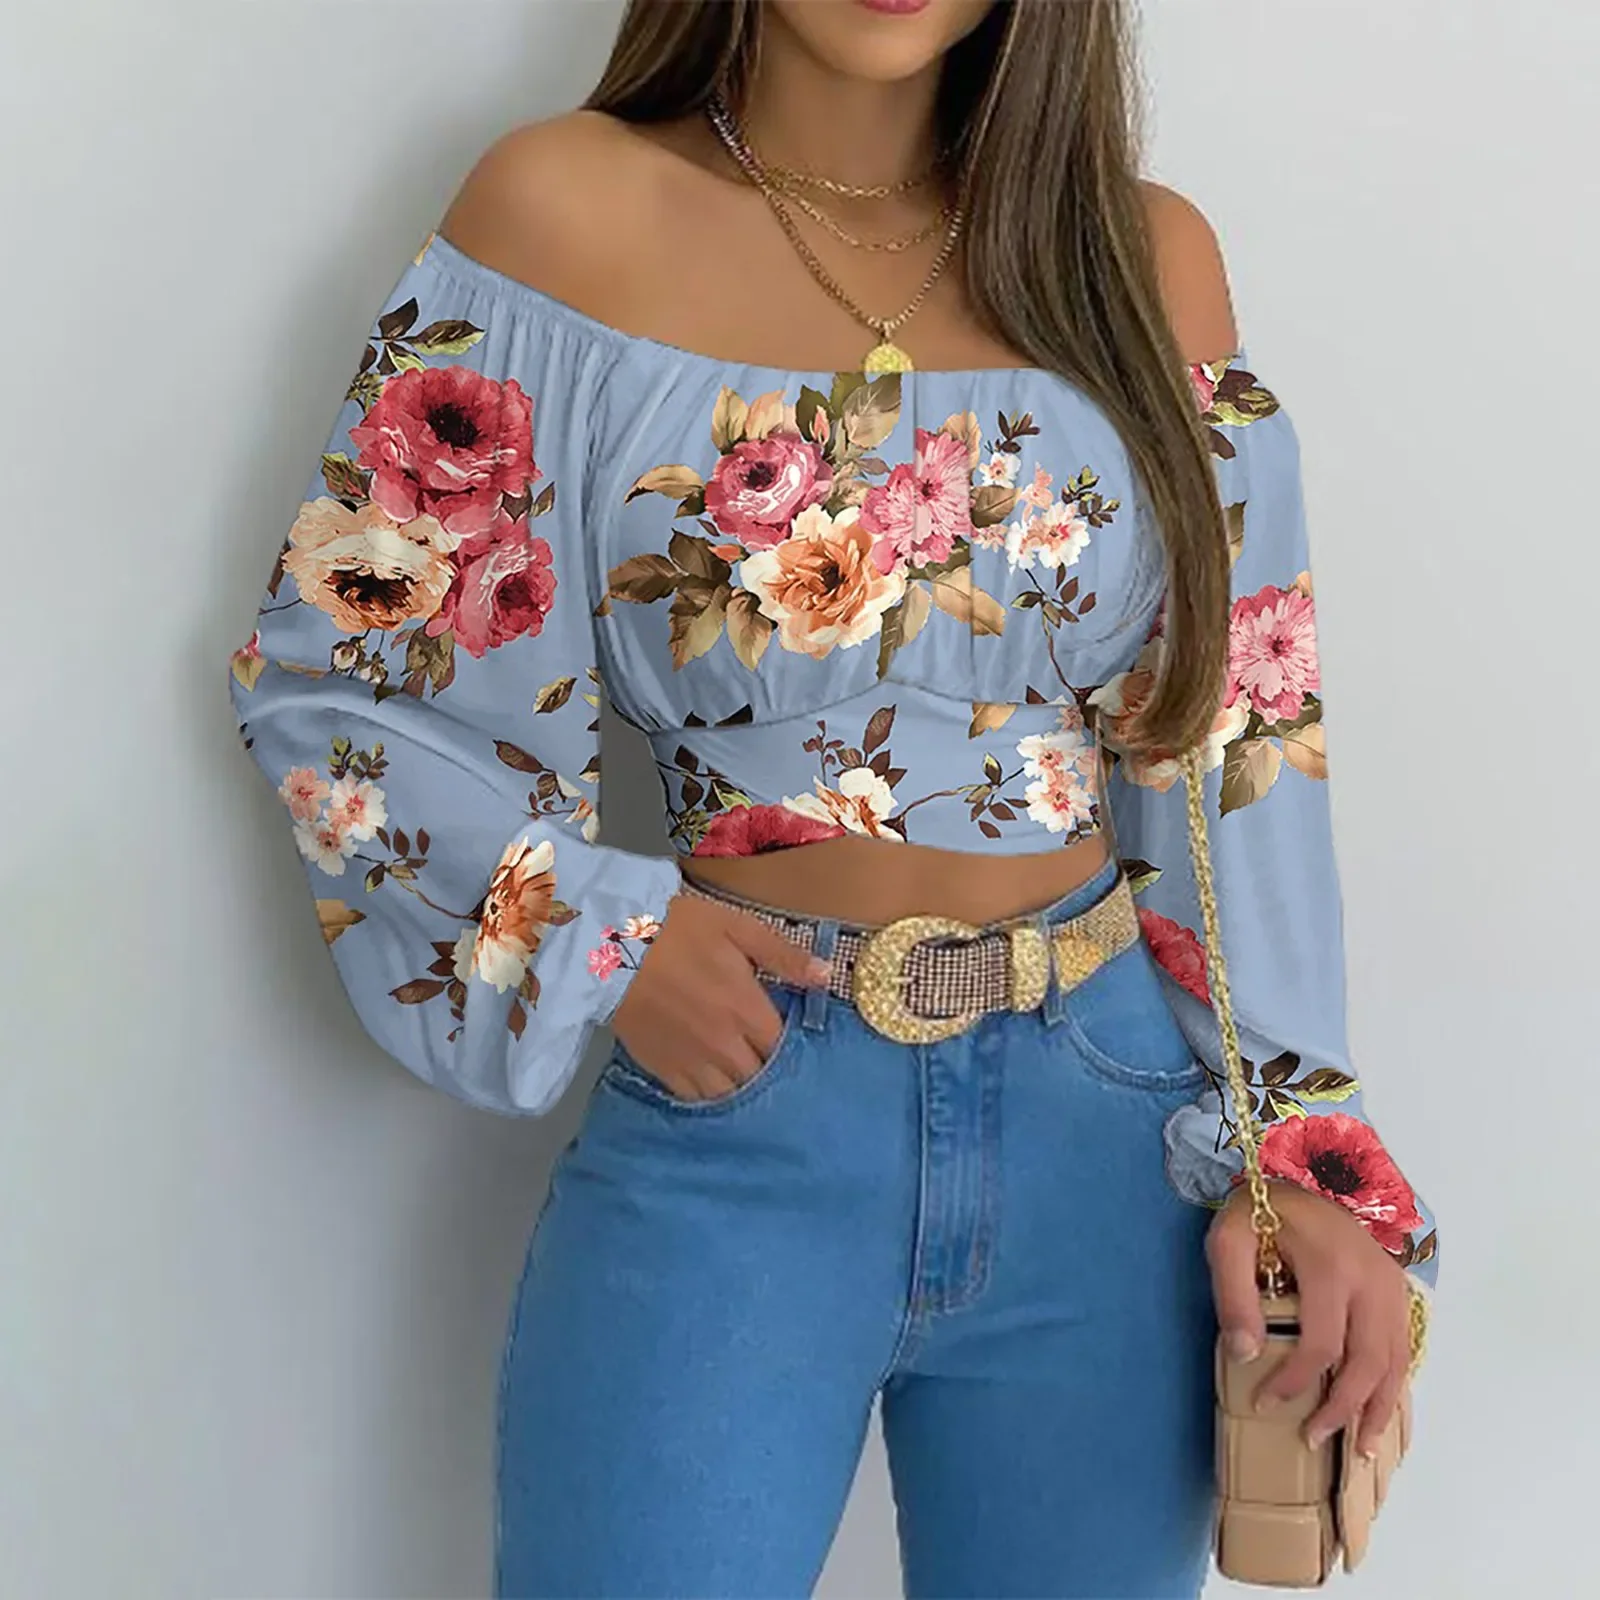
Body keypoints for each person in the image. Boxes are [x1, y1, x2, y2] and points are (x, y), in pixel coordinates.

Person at [228, 1, 1438, 1594]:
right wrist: (605, 934)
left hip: (1112, 1134)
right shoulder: (566, 212)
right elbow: (346, 681)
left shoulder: (1144, 258)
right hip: (744, 1115)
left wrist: (1300, 1151)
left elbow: (1238, 736)